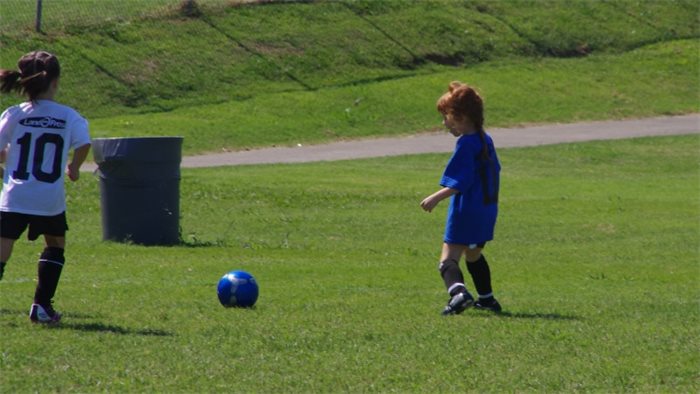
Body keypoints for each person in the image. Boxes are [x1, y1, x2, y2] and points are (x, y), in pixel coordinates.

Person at [0, 50, 91, 324]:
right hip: (48, 198)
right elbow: (84, 143)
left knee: (3, 246)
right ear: (55, 81)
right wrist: (73, 168)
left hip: (15, 195)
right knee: (55, 244)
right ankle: (41, 306)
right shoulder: (68, 116)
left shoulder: (15, 113)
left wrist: (5, 163)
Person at [420, 81, 502, 315]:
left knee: (448, 260)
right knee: (473, 255)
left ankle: (459, 295)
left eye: (446, 116)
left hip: (467, 210)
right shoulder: (485, 139)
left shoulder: (466, 143)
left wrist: (436, 197)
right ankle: (487, 299)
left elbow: (461, 180)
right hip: (486, 211)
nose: (444, 123)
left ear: (461, 116)